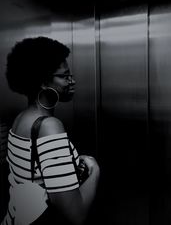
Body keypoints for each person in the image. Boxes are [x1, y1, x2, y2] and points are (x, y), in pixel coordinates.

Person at [1, 37, 100, 225]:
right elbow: (75, 215)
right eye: (64, 76)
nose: (72, 81)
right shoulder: (49, 126)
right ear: (43, 82)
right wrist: (94, 169)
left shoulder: (20, 119)